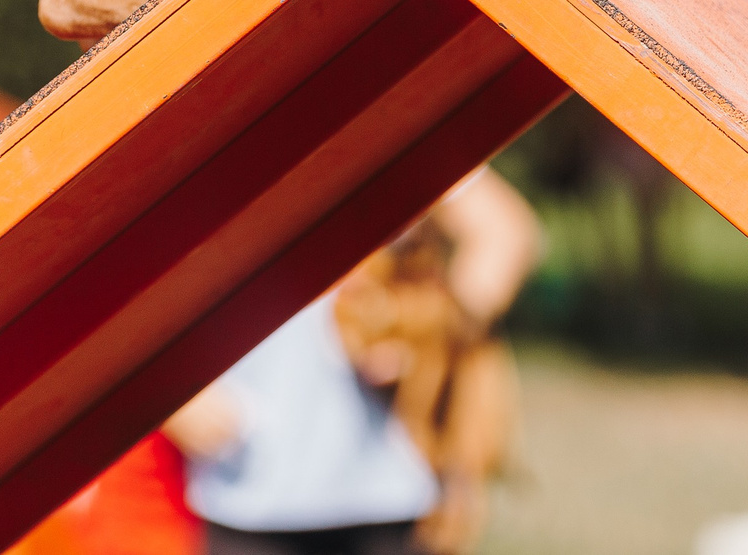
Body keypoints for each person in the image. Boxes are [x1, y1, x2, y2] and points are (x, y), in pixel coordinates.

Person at [166, 168, 541, 555]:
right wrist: (168, 392)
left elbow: (504, 233)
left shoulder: (389, 121)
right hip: (247, 482)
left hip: (385, 485)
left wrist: (429, 333)